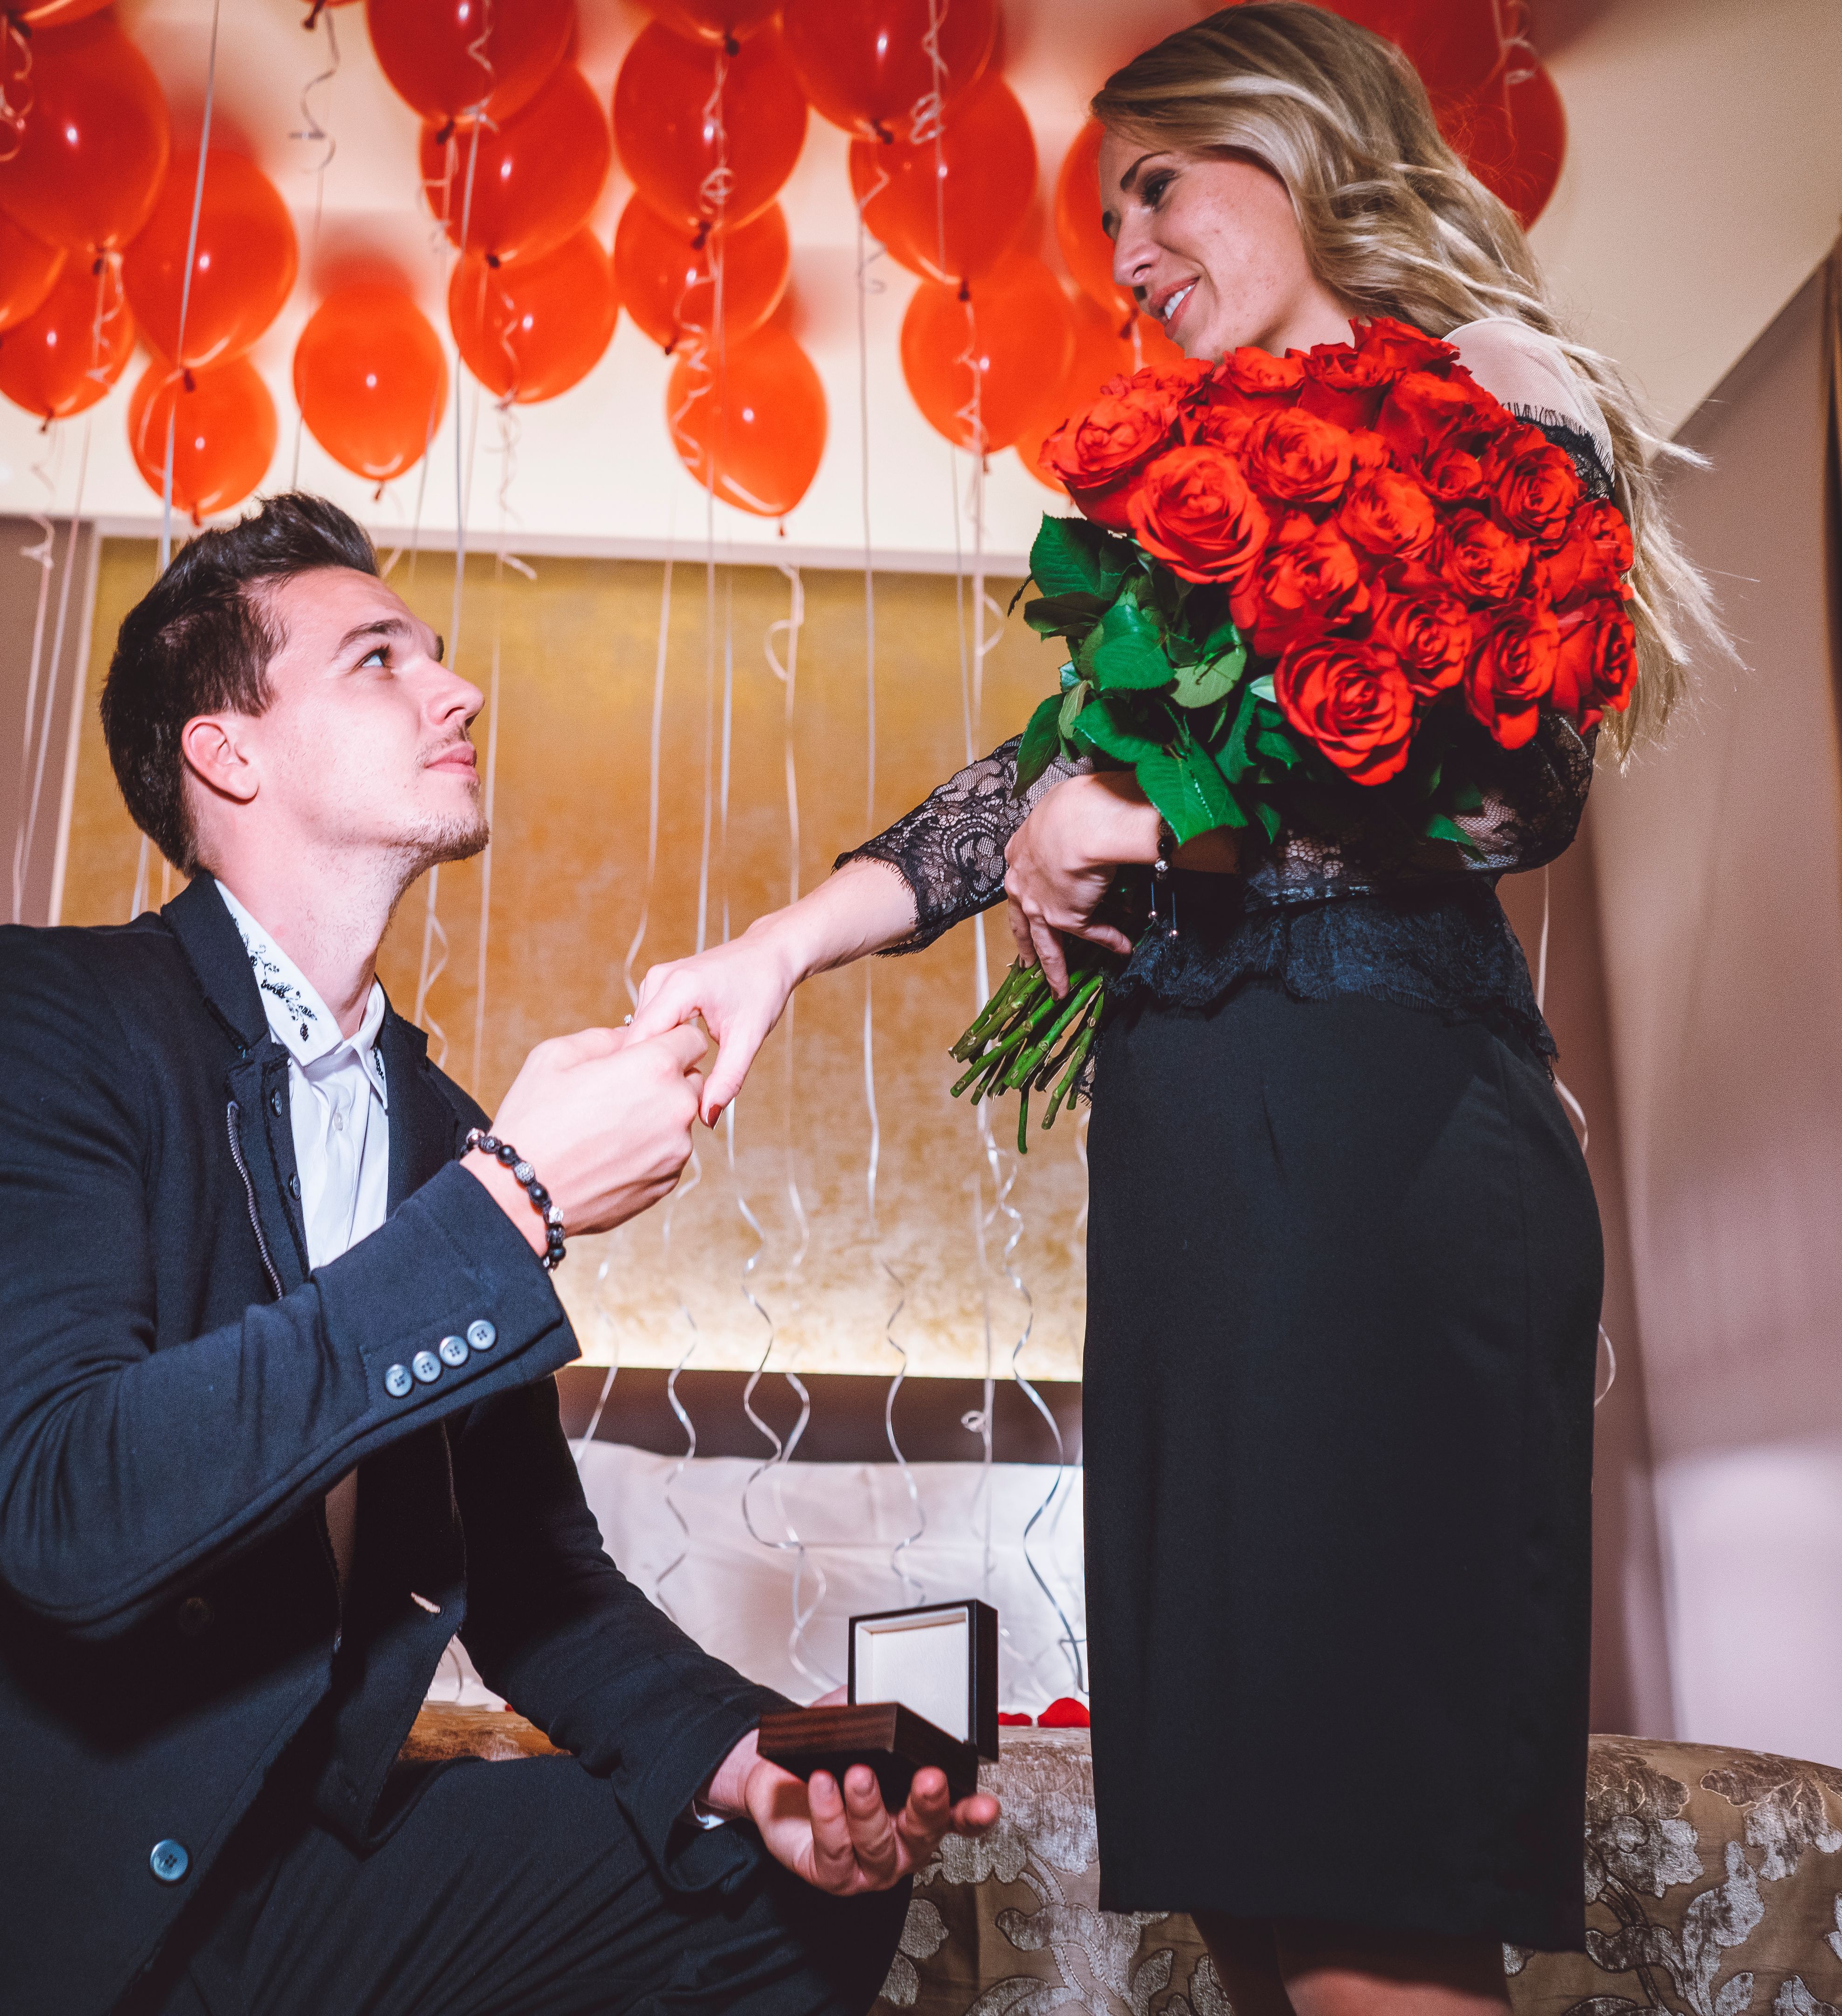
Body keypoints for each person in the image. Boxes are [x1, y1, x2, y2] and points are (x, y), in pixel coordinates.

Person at [631, 8, 1720, 2015]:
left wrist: (1148, 805)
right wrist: (777, 943)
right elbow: (1032, 777)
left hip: (1371, 1150)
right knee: (1241, 1869)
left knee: (1368, 1882)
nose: (1124, 249)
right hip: (1211, 1165)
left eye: (1158, 187)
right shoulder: (1201, 476)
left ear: (1302, 141)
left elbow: (1516, 779)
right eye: (1107, 206)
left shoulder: (1496, 391)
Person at [0, 494, 996, 2016]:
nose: (456, 691)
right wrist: (510, 1203)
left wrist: (753, 1764)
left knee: (777, 1895)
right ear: (227, 753)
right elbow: (71, 1503)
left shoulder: (438, 1125)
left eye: (436, 657)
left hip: (267, 1884)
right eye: (380, 658)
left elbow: (535, 1583)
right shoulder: (30, 1017)